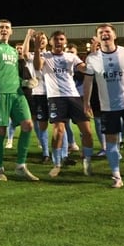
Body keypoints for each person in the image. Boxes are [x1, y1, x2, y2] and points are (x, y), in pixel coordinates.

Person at [82, 23, 124, 188]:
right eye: (101, 33)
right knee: (111, 141)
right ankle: (116, 176)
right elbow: (88, 81)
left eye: (107, 31)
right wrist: (86, 102)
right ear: (97, 38)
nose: (104, 34)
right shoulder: (92, 58)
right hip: (107, 106)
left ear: (114, 35)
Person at [0, 20, 39, 181]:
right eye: (2, 28)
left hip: (17, 93)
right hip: (0, 93)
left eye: (7, 28)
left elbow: (14, 75)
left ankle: (21, 166)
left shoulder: (14, 52)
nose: (4, 30)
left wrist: (26, 83)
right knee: (1, 130)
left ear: (11, 31)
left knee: (28, 125)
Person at [33, 30, 94, 177]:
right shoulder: (45, 56)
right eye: (56, 39)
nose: (59, 42)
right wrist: (35, 48)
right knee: (58, 131)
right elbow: (37, 67)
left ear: (65, 41)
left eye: (61, 39)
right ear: (51, 42)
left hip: (73, 96)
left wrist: (93, 55)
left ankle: (87, 162)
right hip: (56, 98)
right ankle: (57, 164)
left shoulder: (71, 56)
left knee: (87, 131)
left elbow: (85, 69)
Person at [21, 30, 52, 163]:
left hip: (54, 94)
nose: (41, 40)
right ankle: (46, 153)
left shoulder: (52, 55)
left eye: (43, 38)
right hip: (38, 94)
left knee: (62, 124)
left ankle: (63, 153)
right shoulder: (32, 55)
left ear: (47, 41)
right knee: (40, 124)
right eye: (38, 38)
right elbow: (24, 53)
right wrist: (28, 36)